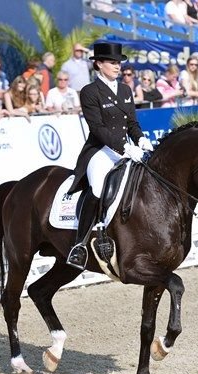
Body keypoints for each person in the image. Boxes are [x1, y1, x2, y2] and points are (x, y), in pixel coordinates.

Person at [65, 42, 153, 269]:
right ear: (99, 64)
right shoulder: (89, 92)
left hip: (127, 149)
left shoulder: (125, 90)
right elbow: (97, 129)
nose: (117, 67)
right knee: (97, 188)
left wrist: (140, 139)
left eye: (119, 63)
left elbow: (132, 122)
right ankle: (80, 244)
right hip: (100, 151)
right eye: (113, 63)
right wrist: (125, 148)